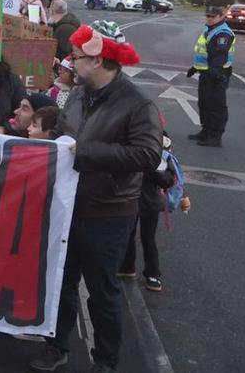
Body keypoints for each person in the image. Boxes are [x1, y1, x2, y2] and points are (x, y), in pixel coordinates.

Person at [28, 20, 161, 373]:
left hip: (109, 212)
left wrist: (85, 152)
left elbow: (148, 156)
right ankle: (56, 346)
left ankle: (105, 360)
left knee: (103, 293)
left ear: (97, 60)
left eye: (75, 57)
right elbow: (62, 131)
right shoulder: (79, 93)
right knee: (61, 280)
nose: (70, 63)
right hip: (68, 204)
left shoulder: (137, 104)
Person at [119, 132, 176, 293]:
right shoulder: (129, 142)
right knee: (128, 234)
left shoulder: (160, 150)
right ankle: (127, 266)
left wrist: (151, 167)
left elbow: (168, 179)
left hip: (149, 202)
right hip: (132, 198)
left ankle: (153, 273)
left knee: (148, 237)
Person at [186, 5, 235, 147]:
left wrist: (215, 72)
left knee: (216, 106)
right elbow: (205, 53)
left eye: (212, 16)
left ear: (221, 17)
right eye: (208, 16)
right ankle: (206, 130)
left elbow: (219, 55)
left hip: (217, 75)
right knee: (204, 104)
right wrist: (195, 68)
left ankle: (215, 136)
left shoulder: (223, 33)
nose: (209, 18)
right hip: (206, 73)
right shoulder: (210, 30)